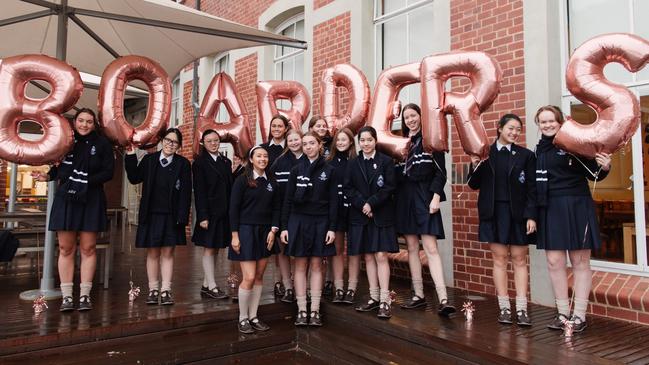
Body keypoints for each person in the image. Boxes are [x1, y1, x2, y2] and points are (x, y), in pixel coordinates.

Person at [534, 105, 611, 333]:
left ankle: (579, 316)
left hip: (577, 204)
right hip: (550, 207)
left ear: (560, 122)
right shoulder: (539, 150)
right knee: (554, 262)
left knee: (579, 262)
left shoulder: (574, 144)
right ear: (538, 125)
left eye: (551, 121)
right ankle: (562, 313)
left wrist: (605, 167)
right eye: (543, 122)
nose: (547, 125)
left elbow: (593, 173)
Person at [34, 108, 114, 312]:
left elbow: (108, 172)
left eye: (89, 121)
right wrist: (48, 176)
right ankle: (67, 296)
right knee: (65, 248)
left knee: (88, 248)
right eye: (81, 121)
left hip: (91, 198)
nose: (85, 125)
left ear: (94, 123)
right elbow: (60, 167)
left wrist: (85, 181)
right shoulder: (66, 141)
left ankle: (85, 295)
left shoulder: (102, 143)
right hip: (67, 198)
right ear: (75, 122)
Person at [468, 113, 537, 325]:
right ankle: (504, 307)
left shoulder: (526, 155)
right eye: (511, 128)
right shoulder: (485, 153)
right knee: (499, 259)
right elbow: (473, 184)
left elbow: (532, 188)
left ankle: (522, 308)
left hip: (518, 214)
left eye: (518, 129)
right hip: (494, 213)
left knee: (519, 259)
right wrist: (474, 164)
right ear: (500, 128)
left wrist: (531, 215)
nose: (515, 132)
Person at [394, 104, 456, 317]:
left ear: (421, 116)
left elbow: (441, 173)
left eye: (413, 115)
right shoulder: (400, 143)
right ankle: (418, 295)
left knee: (430, 247)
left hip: (425, 196)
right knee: (412, 246)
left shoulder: (431, 140)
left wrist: (436, 196)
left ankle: (443, 298)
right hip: (404, 198)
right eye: (407, 117)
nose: (410, 120)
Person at [124, 128, 192, 306]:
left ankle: (166, 290)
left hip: (172, 215)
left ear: (179, 146)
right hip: (151, 213)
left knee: (168, 252)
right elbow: (134, 177)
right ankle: (153, 289)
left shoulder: (183, 164)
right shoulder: (149, 159)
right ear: (162, 141)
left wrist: (183, 217)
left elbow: (185, 194)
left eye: (175, 142)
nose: (171, 144)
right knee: (153, 252)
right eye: (168, 140)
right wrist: (131, 154)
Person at [281, 132, 338, 326]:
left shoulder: (329, 170)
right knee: (300, 265)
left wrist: (332, 228)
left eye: (311, 143)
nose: (307, 147)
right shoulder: (296, 170)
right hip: (298, 221)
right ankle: (301, 309)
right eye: (304, 144)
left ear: (320, 145)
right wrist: (284, 227)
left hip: (320, 221)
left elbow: (333, 203)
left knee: (316, 265)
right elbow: (287, 200)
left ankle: (314, 310)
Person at [344, 126, 398, 319]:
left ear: (375, 141)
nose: (366, 143)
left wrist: (371, 203)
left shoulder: (386, 161)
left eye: (369, 140)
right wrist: (362, 204)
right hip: (360, 215)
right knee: (368, 256)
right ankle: (373, 297)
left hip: (380, 214)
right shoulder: (353, 163)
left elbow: (390, 187)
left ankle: (385, 299)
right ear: (359, 143)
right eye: (362, 140)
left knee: (381, 255)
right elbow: (348, 189)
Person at [229, 145, 281, 334]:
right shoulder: (242, 180)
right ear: (251, 159)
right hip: (246, 231)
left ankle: (254, 316)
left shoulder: (272, 182)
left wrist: (273, 231)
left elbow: (277, 209)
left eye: (265, 156)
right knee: (249, 277)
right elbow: (233, 209)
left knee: (259, 277)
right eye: (258, 156)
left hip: (265, 233)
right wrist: (235, 235)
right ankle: (242, 318)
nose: (262, 159)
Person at [192, 129, 233, 300]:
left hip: (223, 212)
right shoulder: (199, 163)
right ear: (203, 143)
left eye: (216, 140)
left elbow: (229, 184)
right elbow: (199, 191)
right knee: (209, 248)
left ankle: (207, 284)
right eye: (209, 141)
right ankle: (213, 287)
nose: (213, 143)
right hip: (209, 212)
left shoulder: (226, 161)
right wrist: (202, 216)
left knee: (216, 248)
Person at [269, 129, 306, 302]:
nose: (293, 143)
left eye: (296, 139)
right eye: (290, 140)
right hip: (283, 212)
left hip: (305, 214)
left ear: (302, 139)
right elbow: (274, 191)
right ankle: (288, 286)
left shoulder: (309, 160)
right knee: (283, 251)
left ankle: (302, 287)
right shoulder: (279, 162)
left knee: (302, 252)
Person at [326, 127, 358, 304]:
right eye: (338, 140)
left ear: (351, 142)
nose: (340, 143)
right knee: (337, 250)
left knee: (353, 250)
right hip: (336, 210)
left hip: (354, 209)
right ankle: (339, 288)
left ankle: (351, 288)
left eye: (344, 140)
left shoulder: (357, 161)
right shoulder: (329, 162)